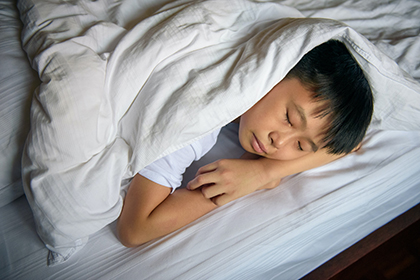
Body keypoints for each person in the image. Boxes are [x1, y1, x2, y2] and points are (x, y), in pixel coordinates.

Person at [117, 40, 373, 247]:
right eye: (289, 118)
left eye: (300, 147)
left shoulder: (272, 112)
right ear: (277, 71)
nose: (279, 141)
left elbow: (350, 145)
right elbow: (136, 228)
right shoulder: (201, 113)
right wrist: (245, 178)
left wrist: (262, 171)